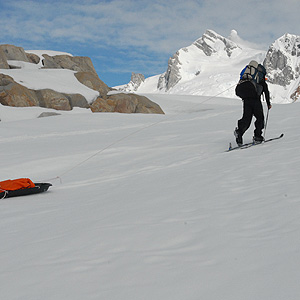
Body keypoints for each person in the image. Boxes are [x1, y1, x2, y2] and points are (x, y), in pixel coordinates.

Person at [234, 61, 272, 146]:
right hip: (255, 100)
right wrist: (268, 103)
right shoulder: (260, 78)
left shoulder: (247, 76)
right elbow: (266, 91)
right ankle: (257, 136)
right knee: (260, 118)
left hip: (246, 99)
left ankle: (239, 133)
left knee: (246, 119)